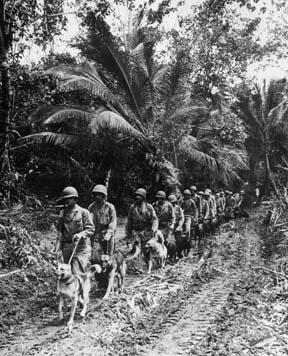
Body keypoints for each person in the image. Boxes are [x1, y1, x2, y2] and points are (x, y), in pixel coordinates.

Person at [55, 186, 94, 275]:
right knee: (67, 273)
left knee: (78, 272)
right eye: (65, 199)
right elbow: (60, 230)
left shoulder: (83, 212)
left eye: (69, 199)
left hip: (79, 246)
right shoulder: (62, 213)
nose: (67, 201)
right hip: (66, 246)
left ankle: (81, 288)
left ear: (75, 199)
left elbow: (91, 229)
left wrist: (80, 235)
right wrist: (58, 245)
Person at [88, 184, 117, 258]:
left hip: (107, 233)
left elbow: (113, 222)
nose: (97, 197)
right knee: (96, 256)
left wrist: (109, 233)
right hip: (96, 234)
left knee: (109, 256)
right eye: (95, 195)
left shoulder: (110, 207)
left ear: (104, 196)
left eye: (99, 195)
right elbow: (88, 221)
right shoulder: (91, 207)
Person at [168, 194, 184, 258]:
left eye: (173, 202)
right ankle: (169, 255)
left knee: (179, 241)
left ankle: (179, 253)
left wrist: (179, 227)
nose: (172, 204)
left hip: (177, 226)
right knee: (169, 242)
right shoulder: (166, 208)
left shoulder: (178, 208)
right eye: (171, 203)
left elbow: (182, 218)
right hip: (169, 226)